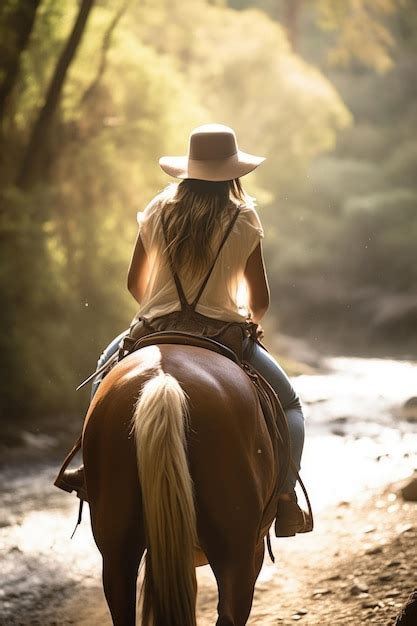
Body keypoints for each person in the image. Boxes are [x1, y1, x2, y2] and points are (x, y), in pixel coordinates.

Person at [55, 124, 311, 537]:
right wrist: (243, 319)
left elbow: (134, 285)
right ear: (233, 172)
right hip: (223, 334)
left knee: (103, 378)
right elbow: (259, 301)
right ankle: (284, 498)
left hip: (153, 327)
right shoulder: (243, 217)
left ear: (188, 170)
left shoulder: (158, 209)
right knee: (291, 406)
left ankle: (90, 469)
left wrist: (160, 308)